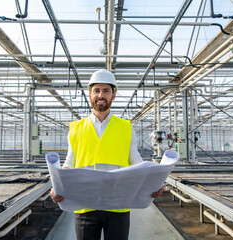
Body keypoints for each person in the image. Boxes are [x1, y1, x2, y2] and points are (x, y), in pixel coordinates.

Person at [50, 69, 164, 240]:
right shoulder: (75, 128)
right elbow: (70, 161)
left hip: (118, 203)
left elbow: (135, 160)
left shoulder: (126, 127)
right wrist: (57, 186)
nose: (100, 95)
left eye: (106, 91)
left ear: (113, 95)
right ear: (90, 95)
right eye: (96, 90)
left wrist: (153, 182)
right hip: (85, 204)